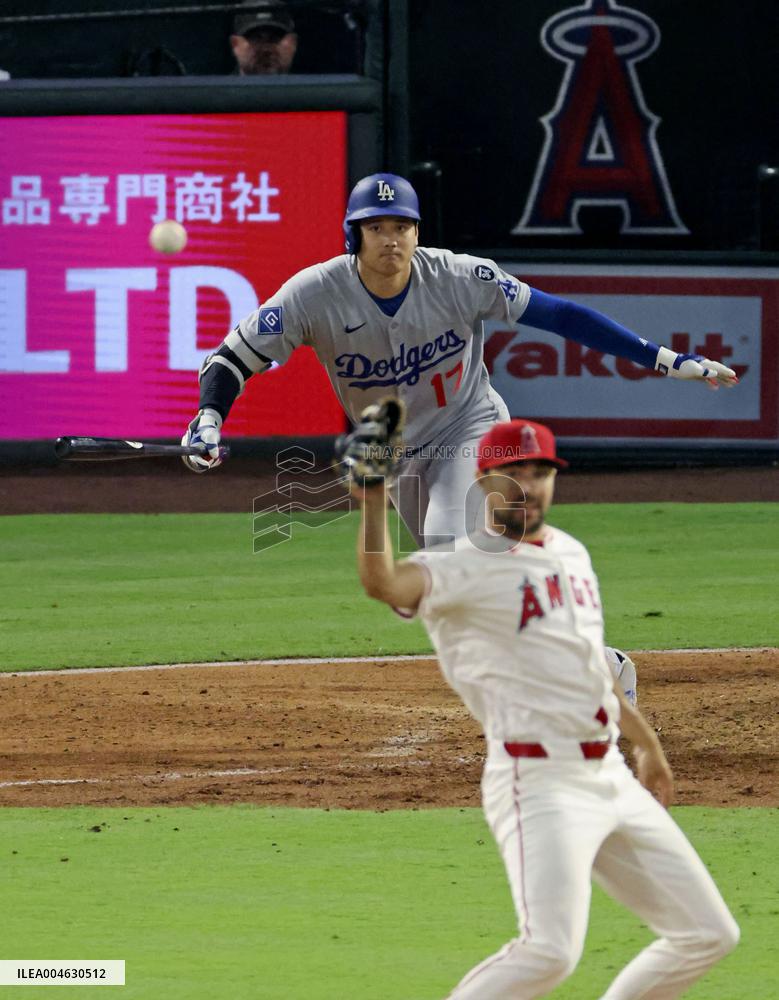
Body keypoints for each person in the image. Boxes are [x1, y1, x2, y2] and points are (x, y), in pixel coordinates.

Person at [339, 407, 739, 999]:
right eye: (515, 471)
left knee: (708, 932)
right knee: (549, 951)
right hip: (538, 780)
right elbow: (384, 583)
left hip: (609, 774)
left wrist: (647, 744)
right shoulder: (464, 565)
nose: (529, 484)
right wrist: (373, 497)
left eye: (541, 471)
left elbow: (590, 667)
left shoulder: (574, 554)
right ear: (484, 482)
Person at [181, 171, 738, 549]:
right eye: (376, 227)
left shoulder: (460, 277)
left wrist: (663, 358)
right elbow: (232, 359)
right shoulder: (312, 294)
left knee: (455, 549)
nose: (391, 239)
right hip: (397, 451)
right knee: (465, 578)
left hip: (470, 425)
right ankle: (596, 662)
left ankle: (575, 677)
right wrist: (208, 418)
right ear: (354, 236)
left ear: (417, 231)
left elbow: (561, 316)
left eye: (401, 226)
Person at [230, 1, 297, 76]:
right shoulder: (218, 87)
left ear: (293, 43)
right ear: (235, 45)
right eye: (256, 39)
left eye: (274, 39)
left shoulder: (308, 87)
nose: (266, 49)